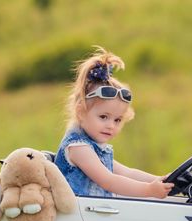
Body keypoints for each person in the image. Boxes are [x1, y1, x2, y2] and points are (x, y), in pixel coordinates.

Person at [55, 46, 174, 198]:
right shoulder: (78, 148)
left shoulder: (96, 148)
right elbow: (109, 181)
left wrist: (160, 180)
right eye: (103, 117)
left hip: (93, 214)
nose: (111, 125)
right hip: (78, 216)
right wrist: (149, 190)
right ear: (81, 112)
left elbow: (127, 172)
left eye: (117, 120)